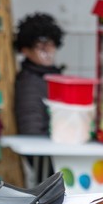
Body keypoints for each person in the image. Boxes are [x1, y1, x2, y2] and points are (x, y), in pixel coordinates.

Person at [13, 13, 65, 184]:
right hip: (49, 163)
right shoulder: (30, 82)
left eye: (50, 44)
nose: (47, 50)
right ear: (25, 50)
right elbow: (31, 130)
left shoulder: (47, 77)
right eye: (39, 45)